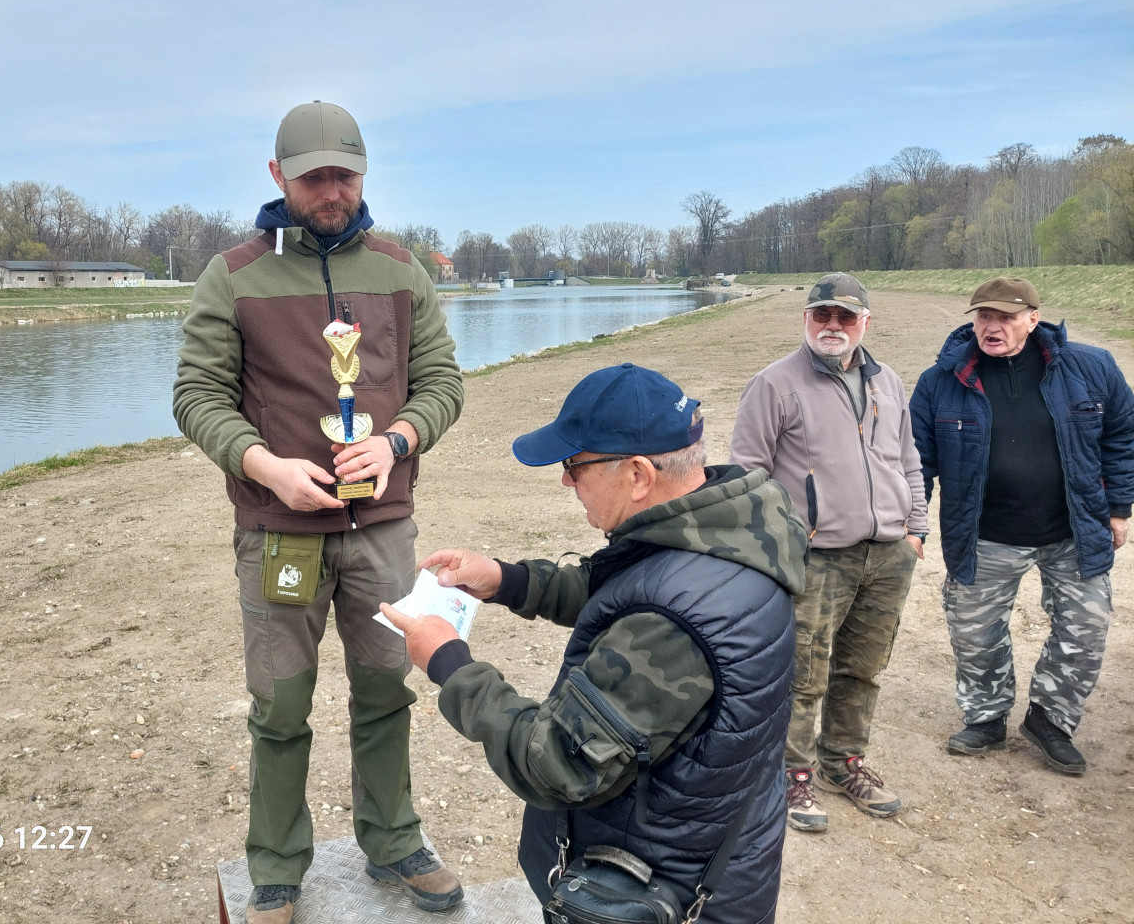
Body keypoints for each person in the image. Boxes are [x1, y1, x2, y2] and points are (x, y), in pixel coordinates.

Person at [172, 101, 466, 923]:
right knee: (280, 707)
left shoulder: (402, 271)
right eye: (314, 178)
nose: (332, 191)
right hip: (279, 535)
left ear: (364, 174)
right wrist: (263, 465)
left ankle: (394, 839)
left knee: (388, 693)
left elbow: (443, 384)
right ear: (278, 176)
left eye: (345, 175)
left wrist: (399, 442)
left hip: (384, 531)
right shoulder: (234, 276)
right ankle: (275, 866)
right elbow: (197, 396)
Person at [381, 363, 806, 924]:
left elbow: (556, 764)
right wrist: (507, 580)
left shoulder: (673, 623)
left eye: (574, 466)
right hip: (699, 856)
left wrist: (449, 662)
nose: (566, 482)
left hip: (652, 894)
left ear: (637, 474)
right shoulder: (725, 535)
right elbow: (628, 586)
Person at [728, 273, 928, 834]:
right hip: (815, 559)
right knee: (803, 675)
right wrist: (779, 546)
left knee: (863, 669)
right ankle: (793, 774)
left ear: (866, 322)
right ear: (806, 319)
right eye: (822, 315)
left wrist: (916, 530)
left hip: (887, 555)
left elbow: (908, 460)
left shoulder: (888, 381)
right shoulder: (773, 384)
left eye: (846, 316)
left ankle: (845, 762)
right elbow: (748, 477)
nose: (833, 326)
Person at [910, 277, 1133, 775]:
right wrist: (913, 525)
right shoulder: (940, 381)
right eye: (984, 317)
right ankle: (986, 717)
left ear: (1033, 319)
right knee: (975, 634)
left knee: (1086, 630)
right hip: (985, 534)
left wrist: (1119, 508)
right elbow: (916, 461)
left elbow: (1122, 435)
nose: (992, 327)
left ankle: (1050, 719)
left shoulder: (1090, 367)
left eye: (1006, 318)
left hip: (1074, 531)